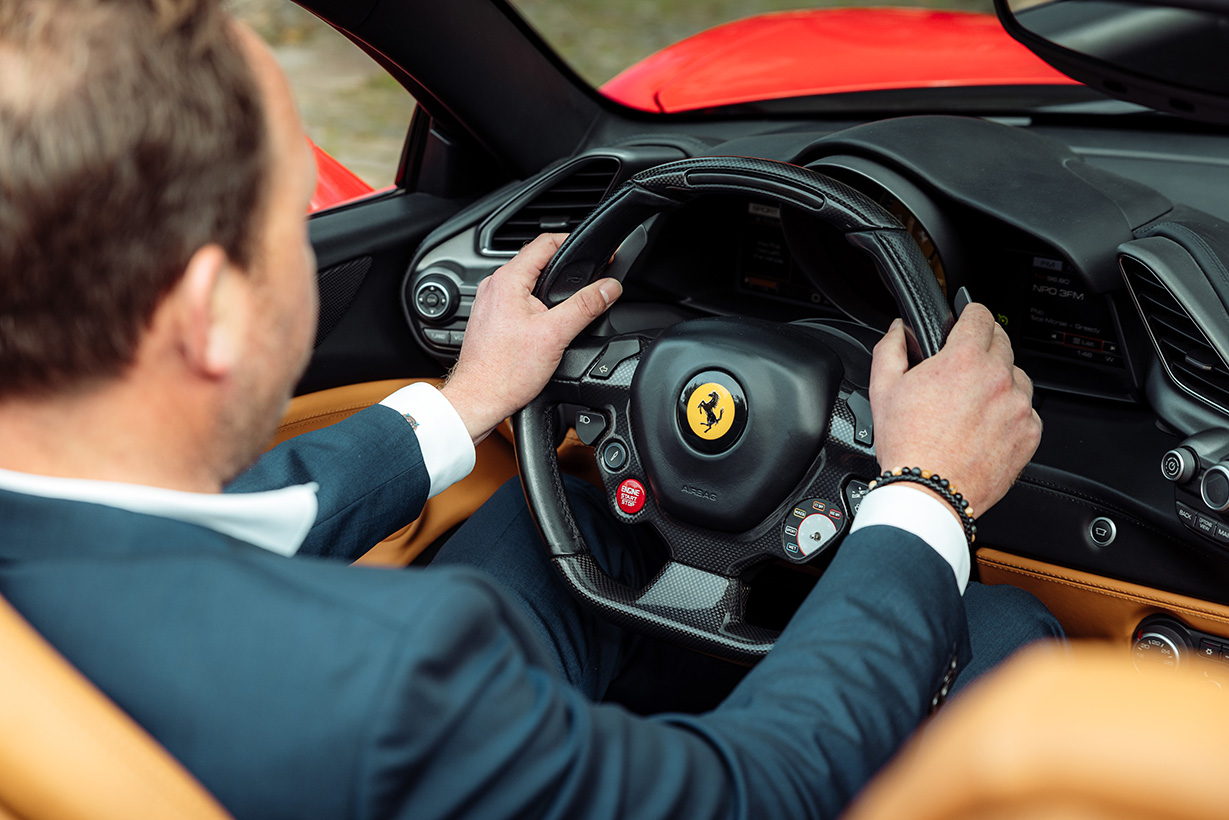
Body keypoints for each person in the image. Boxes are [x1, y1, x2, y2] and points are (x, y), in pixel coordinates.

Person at [0, 1, 1059, 818]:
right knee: (1009, 636)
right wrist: (923, 493)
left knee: (573, 529)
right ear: (211, 315)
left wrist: (467, 403)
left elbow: (172, 534)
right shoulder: (390, 687)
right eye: (290, 217)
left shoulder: (63, 529)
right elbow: (746, 792)